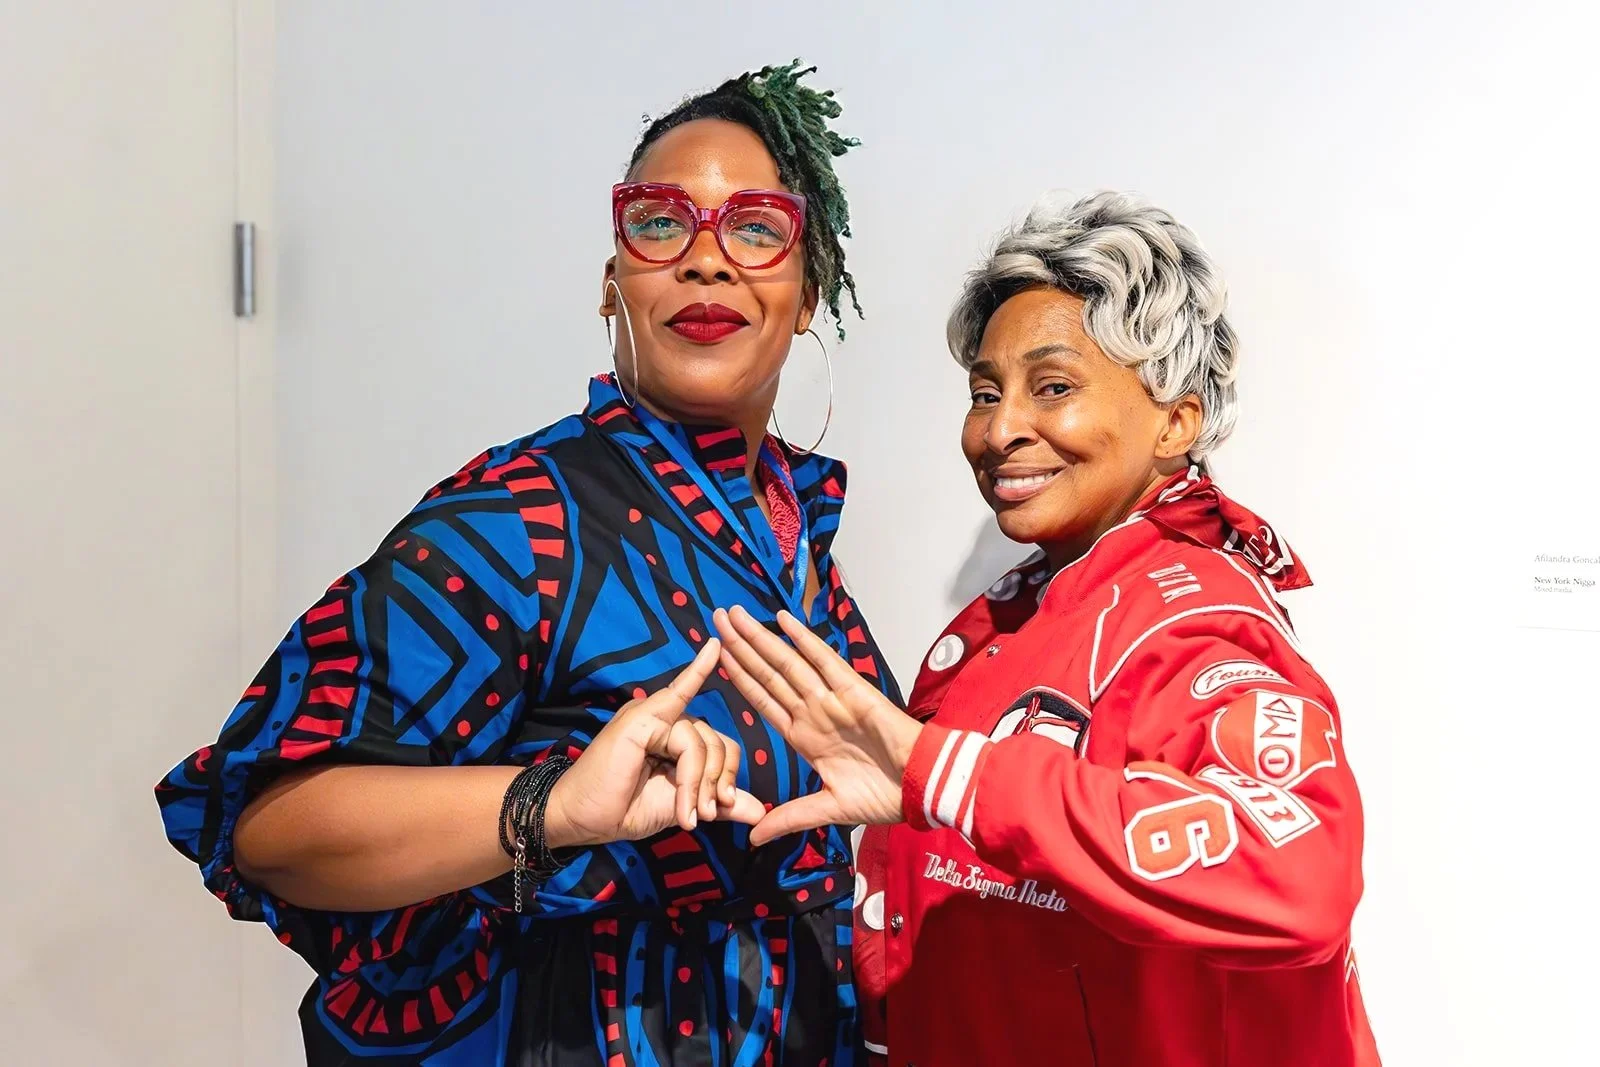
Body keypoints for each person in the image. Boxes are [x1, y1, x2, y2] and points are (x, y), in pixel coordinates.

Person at [156, 62, 902, 1066]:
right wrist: (548, 806)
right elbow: (270, 827)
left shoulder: (791, 531)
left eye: (756, 230)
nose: (707, 261)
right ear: (613, 283)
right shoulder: (524, 517)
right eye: (660, 224)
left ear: (807, 294)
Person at [711, 191, 1383, 1066]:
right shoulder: (1025, 609)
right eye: (984, 392)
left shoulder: (1189, 614)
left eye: (1053, 387)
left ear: (1176, 422)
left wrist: (942, 770)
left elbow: (1295, 872)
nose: (999, 430)